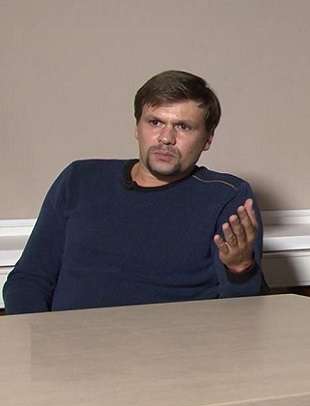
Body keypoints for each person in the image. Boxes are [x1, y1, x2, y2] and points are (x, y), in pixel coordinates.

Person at [3, 70, 264, 313]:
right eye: (155, 122)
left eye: (183, 127)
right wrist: (42, 338)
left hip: (174, 344)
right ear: (137, 127)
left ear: (207, 139)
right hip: (67, 341)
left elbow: (242, 315)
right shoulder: (80, 180)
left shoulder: (226, 196)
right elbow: (28, 280)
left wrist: (240, 269)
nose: (166, 138)